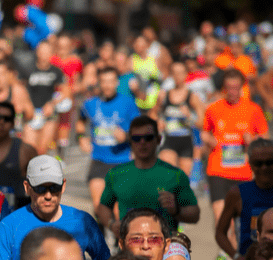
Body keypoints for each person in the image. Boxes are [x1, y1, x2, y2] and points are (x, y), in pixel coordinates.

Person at [202, 69, 269, 260]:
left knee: (243, 224)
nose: (232, 91)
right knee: (222, 219)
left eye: (236, 88)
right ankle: (231, 255)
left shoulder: (253, 110)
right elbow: (204, 131)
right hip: (218, 171)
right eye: (228, 88)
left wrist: (254, 140)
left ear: (242, 88)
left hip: (242, 174)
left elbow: (265, 137)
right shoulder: (214, 109)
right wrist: (208, 139)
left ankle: (227, 254)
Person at [96, 115, 199, 238]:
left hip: (165, 245)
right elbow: (103, 207)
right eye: (136, 138)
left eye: (148, 138)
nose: (142, 143)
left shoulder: (175, 175)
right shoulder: (116, 174)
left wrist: (176, 209)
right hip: (131, 248)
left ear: (159, 139)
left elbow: (194, 214)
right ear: (130, 141)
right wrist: (112, 224)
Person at [80, 67, 143, 208]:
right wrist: (81, 137)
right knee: (99, 205)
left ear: (117, 83)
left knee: (117, 208)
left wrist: (126, 136)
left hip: (122, 160)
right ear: (99, 83)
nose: (107, 85)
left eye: (110, 81)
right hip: (99, 160)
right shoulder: (90, 103)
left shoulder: (128, 103)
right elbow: (81, 119)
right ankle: (101, 230)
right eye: (104, 81)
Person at [154, 61, 206, 176]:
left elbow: (202, 124)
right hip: (168, 140)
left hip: (186, 141)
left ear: (186, 74)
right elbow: (153, 114)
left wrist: (189, 116)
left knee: (183, 182)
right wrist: (158, 122)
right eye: (175, 73)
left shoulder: (192, 97)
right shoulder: (164, 95)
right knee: (169, 175)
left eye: (181, 73)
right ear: (171, 75)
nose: (178, 76)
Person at [21, 40, 70, 153]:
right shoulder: (28, 69)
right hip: (31, 114)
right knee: (29, 150)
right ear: (37, 52)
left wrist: (52, 104)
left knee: (42, 150)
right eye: (42, 51)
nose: (44, 54)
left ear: (51, 53)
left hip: (48, 115)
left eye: (47, 51)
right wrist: (27, 106)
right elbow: (20, 90)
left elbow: (66, 92)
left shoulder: (56, 71)